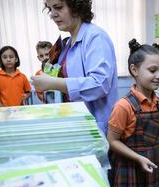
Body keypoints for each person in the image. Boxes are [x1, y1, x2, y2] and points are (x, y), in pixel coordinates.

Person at [31, 0, 118, 133]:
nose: (53, 14)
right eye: (50, 9)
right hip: (76, 123)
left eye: (58, 7)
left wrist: (54, 83)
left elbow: (100, 84)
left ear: (76, 7)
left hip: (96, 125)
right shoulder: (67, 45)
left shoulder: (95, 37)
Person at [107, 39, 159, 187]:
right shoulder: (124, 106)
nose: (158, 75)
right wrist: (139, 158)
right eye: (152, 70)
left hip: (152, 166)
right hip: (129, 169)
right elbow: (112, 141)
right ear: (134, 70)